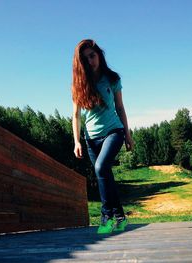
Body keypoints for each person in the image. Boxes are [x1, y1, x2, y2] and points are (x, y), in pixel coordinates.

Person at [71, 39, 134, 234]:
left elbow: (120, 107)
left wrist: (128, 135)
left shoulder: (112, 79)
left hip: (113, 131)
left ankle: (106, 216)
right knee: (105, 175)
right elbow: (76, 116)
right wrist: (76, 141)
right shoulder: (79, 85)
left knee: (100, 168)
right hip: (91, 139)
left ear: (99, 55)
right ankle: (121, 217)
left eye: (92, 55)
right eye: (86, 58)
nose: (91, 60)